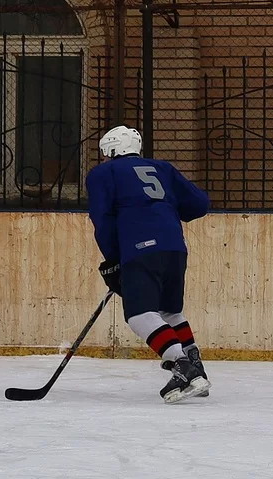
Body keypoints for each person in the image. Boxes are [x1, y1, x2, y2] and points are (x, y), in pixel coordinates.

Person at [87, 125, 211, 403]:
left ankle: (182, 365)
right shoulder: (162, 168)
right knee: (170, 311)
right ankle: (197, 368)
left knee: (139, 314)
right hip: (175, 247)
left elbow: (102, 219)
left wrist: (113, 260)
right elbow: (199, 204)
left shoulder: (103, 173)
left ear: (110, 151)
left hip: (140, 248)